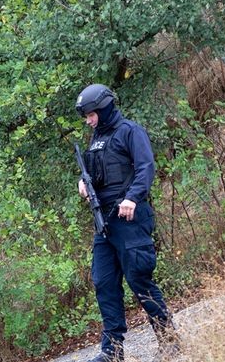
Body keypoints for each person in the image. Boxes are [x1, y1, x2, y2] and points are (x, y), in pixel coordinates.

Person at [75, 84, 179, 362]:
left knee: (139, 279)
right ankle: (112, 352)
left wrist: (132, 197)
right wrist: (84, 185)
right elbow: (97, 176)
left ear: (104, 107)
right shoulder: (96, 140)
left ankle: (169, 339)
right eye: (86, 115)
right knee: (104, 282)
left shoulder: (130, 131)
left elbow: (146, 167)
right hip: (105, 223)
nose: (88, 120)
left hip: (130, 218)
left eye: (90, 113)